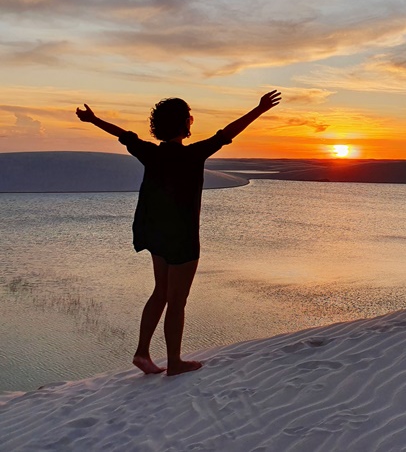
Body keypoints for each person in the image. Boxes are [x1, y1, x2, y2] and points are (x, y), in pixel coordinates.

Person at [76, 91, 281, 376]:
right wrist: (259, 110)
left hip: (156, 234)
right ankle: (174, 362)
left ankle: (142, 353)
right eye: (190, 116)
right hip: (182, 237)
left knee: (160, 292)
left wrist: (93, 119)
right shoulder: (193, 154)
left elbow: (124, 135)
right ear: (185, 123)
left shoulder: (151, 152)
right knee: (177, 300)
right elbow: (227, 133)